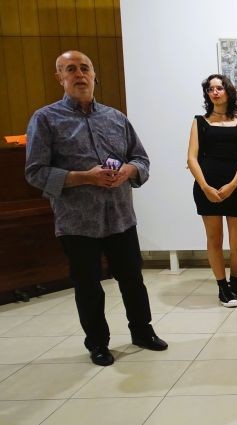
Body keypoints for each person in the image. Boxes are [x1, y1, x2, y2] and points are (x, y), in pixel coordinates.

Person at [25, 50, 167, 366]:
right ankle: (98, 344)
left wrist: (128, 171)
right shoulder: (45, 119)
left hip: (120, 217)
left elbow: (141, 159)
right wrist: (84, 177)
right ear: (60, 77)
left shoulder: (116, 118)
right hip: (77, 222)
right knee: (88, 286)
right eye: (70, 69)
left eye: (84, 68)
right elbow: (35, 172)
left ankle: (142, 332)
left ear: (94, 75)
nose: (79, 74)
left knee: (132, 280)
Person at [187, 74, 237, 308]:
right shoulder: (199, 122)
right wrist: (205, 187)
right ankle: (222, 287)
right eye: (210, 89)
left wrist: (233, 184)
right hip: (207, 187)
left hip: (236, 186)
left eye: (219, 88)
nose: (214, 92)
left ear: (228, 91)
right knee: (215, 240)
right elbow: (191, 158)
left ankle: (235, 281)